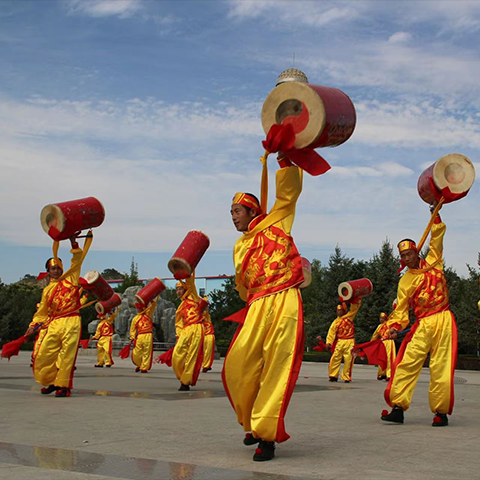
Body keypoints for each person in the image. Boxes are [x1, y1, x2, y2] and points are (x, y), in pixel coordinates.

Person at [223, 155, 304, 462]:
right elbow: (243, 285)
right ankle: (251, 421)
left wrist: (284, 160)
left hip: (284, 299)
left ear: (252, 210)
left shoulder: (278, 220)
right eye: (230, 212)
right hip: (257, 304)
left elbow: (288, 193)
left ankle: (266, 437)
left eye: (237, 211)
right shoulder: (240, 245)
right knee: (239, 365)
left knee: (276, 367)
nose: (233, 217)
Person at [381, 204, 456, 427]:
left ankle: (441, 413)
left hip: (443, 318)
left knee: (441, 366)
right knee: (407, 362)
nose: (407, 257)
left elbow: (437, 238)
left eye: (409, 253)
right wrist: (394, 326)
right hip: (422, 324)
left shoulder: (434, 261)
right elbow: (401, 309)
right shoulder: (405, 281)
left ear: (417, 251)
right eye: (403, 255)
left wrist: (436, 214)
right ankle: (398, 408)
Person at [25, 233, 90, 398]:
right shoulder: (47, 290)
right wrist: (32, 326)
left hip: (71, 321)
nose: (56, 271)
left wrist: (74, 244)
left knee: (66, 355)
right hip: (54, 323)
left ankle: (63, 386)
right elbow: (42, 312)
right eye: (53, 268)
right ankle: (52, 381)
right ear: (48, 271)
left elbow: (77, 262)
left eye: (58, 268)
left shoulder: (70, 280)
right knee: (44, 353)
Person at [171, 275, 205, 391]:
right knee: (177, 354)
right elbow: (178, 323)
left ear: (185, 289)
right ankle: (182, 376)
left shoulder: (194, 297)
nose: (178, 292)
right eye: (177, 289)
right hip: (186, 330)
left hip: (197, 327)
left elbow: (191, 281)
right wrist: (179, 334)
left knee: (192, 356)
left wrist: (187, 270)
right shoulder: (181, 306)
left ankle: (185, 382)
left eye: (180, 289)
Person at [326, 299, 362, 383]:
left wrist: (356, 299)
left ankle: (346, 377)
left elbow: (354, 309)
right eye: (338, 310)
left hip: (350, 341)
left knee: (348, 359)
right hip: (340, 341)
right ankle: (333, 375)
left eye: (340, 310)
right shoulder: (335, 322)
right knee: (335, 358)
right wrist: (329, 342)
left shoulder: (349, 317)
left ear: (344, 310)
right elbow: (331, 332)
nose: (339, 312)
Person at [129, 297, 158, 373]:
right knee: (137, 353)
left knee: (146, 352)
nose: (139, 309)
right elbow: (132, 329)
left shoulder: (148, 313)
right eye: (138, 308)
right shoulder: (135, 318)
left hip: (148, 335)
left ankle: (144, 367)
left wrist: (154, 299)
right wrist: (132, 337)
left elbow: (153, 306)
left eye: (140, 308)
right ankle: (139, 364)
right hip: (140, 336)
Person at [371, 312, 396, 381]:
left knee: (389, 358)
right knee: (381, 358)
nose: (381, 319)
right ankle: (382, 374)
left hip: (389, 342)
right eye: (380, 318)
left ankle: (389, 374)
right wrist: (371, 344)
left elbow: (393, 315)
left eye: (382, 318)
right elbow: (374, 335)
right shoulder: (379, 326)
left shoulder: (389, 324)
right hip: (382, 343)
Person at [201, 297, 215, 373]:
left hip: (205, 335)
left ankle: (206, 365)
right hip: (208, 335)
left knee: (206, 352)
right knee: (208, 352)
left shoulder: (203, 314)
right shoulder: (204, 313)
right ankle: (206, 366)